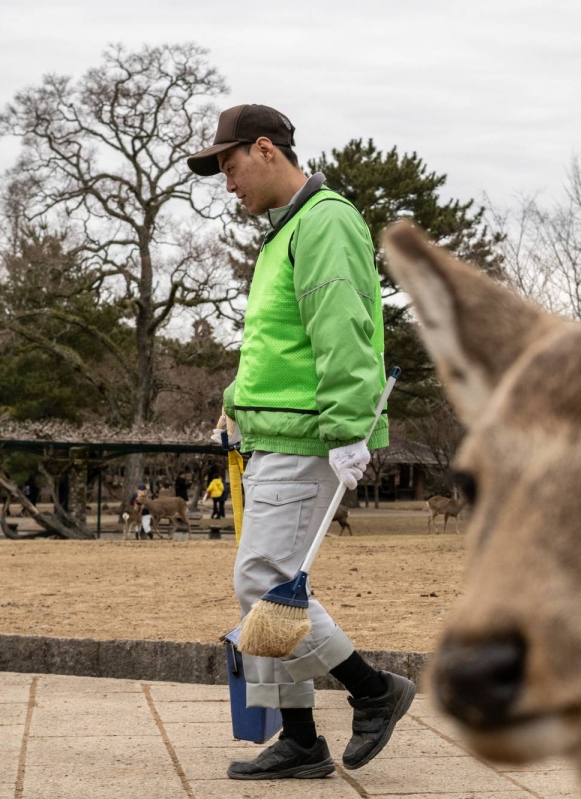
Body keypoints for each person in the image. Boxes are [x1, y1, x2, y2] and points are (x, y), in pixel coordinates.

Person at [188, 103, 411, 781]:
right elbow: (277, 345)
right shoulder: (286, 233)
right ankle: (301, 738)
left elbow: (341, 330)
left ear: (265, 149)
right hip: (275, 434)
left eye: (230, 166)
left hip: (310, 438)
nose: (229, 184)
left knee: (263, 584)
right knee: (263, 586)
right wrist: (233, 405)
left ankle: (374, 690)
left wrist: (348, 430)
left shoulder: (325, 221)